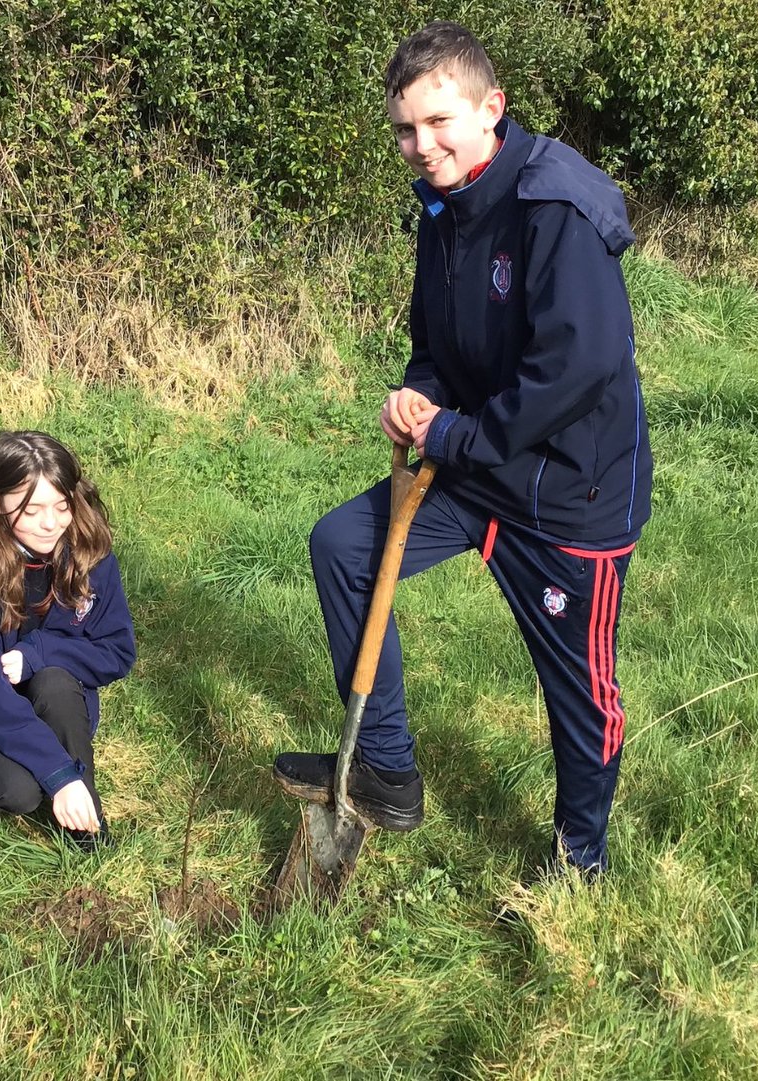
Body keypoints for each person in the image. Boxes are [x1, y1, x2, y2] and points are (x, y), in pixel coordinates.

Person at [273, 22, 652, 878]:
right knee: (342, 547)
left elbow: (579, 365)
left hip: (570, 492)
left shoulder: (554, 204)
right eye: (405, 129)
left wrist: (452, 434)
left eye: (439, 122)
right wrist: (422, 392)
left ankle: (578, 856)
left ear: (492, 110)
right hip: (475, 465)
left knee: (579, 693)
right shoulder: (444, 206)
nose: (421, 145)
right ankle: (391, 768)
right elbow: (435, 341)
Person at [0, 430, 136, 850]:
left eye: (63, 506)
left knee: (56, 681)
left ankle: (87, 830)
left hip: (58, 702)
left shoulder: (90, 555)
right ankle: (59, 775)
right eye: (32, 509)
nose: (51, 523)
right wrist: (58, 773)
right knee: (21, 792)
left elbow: (118, 651)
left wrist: (40, 653)